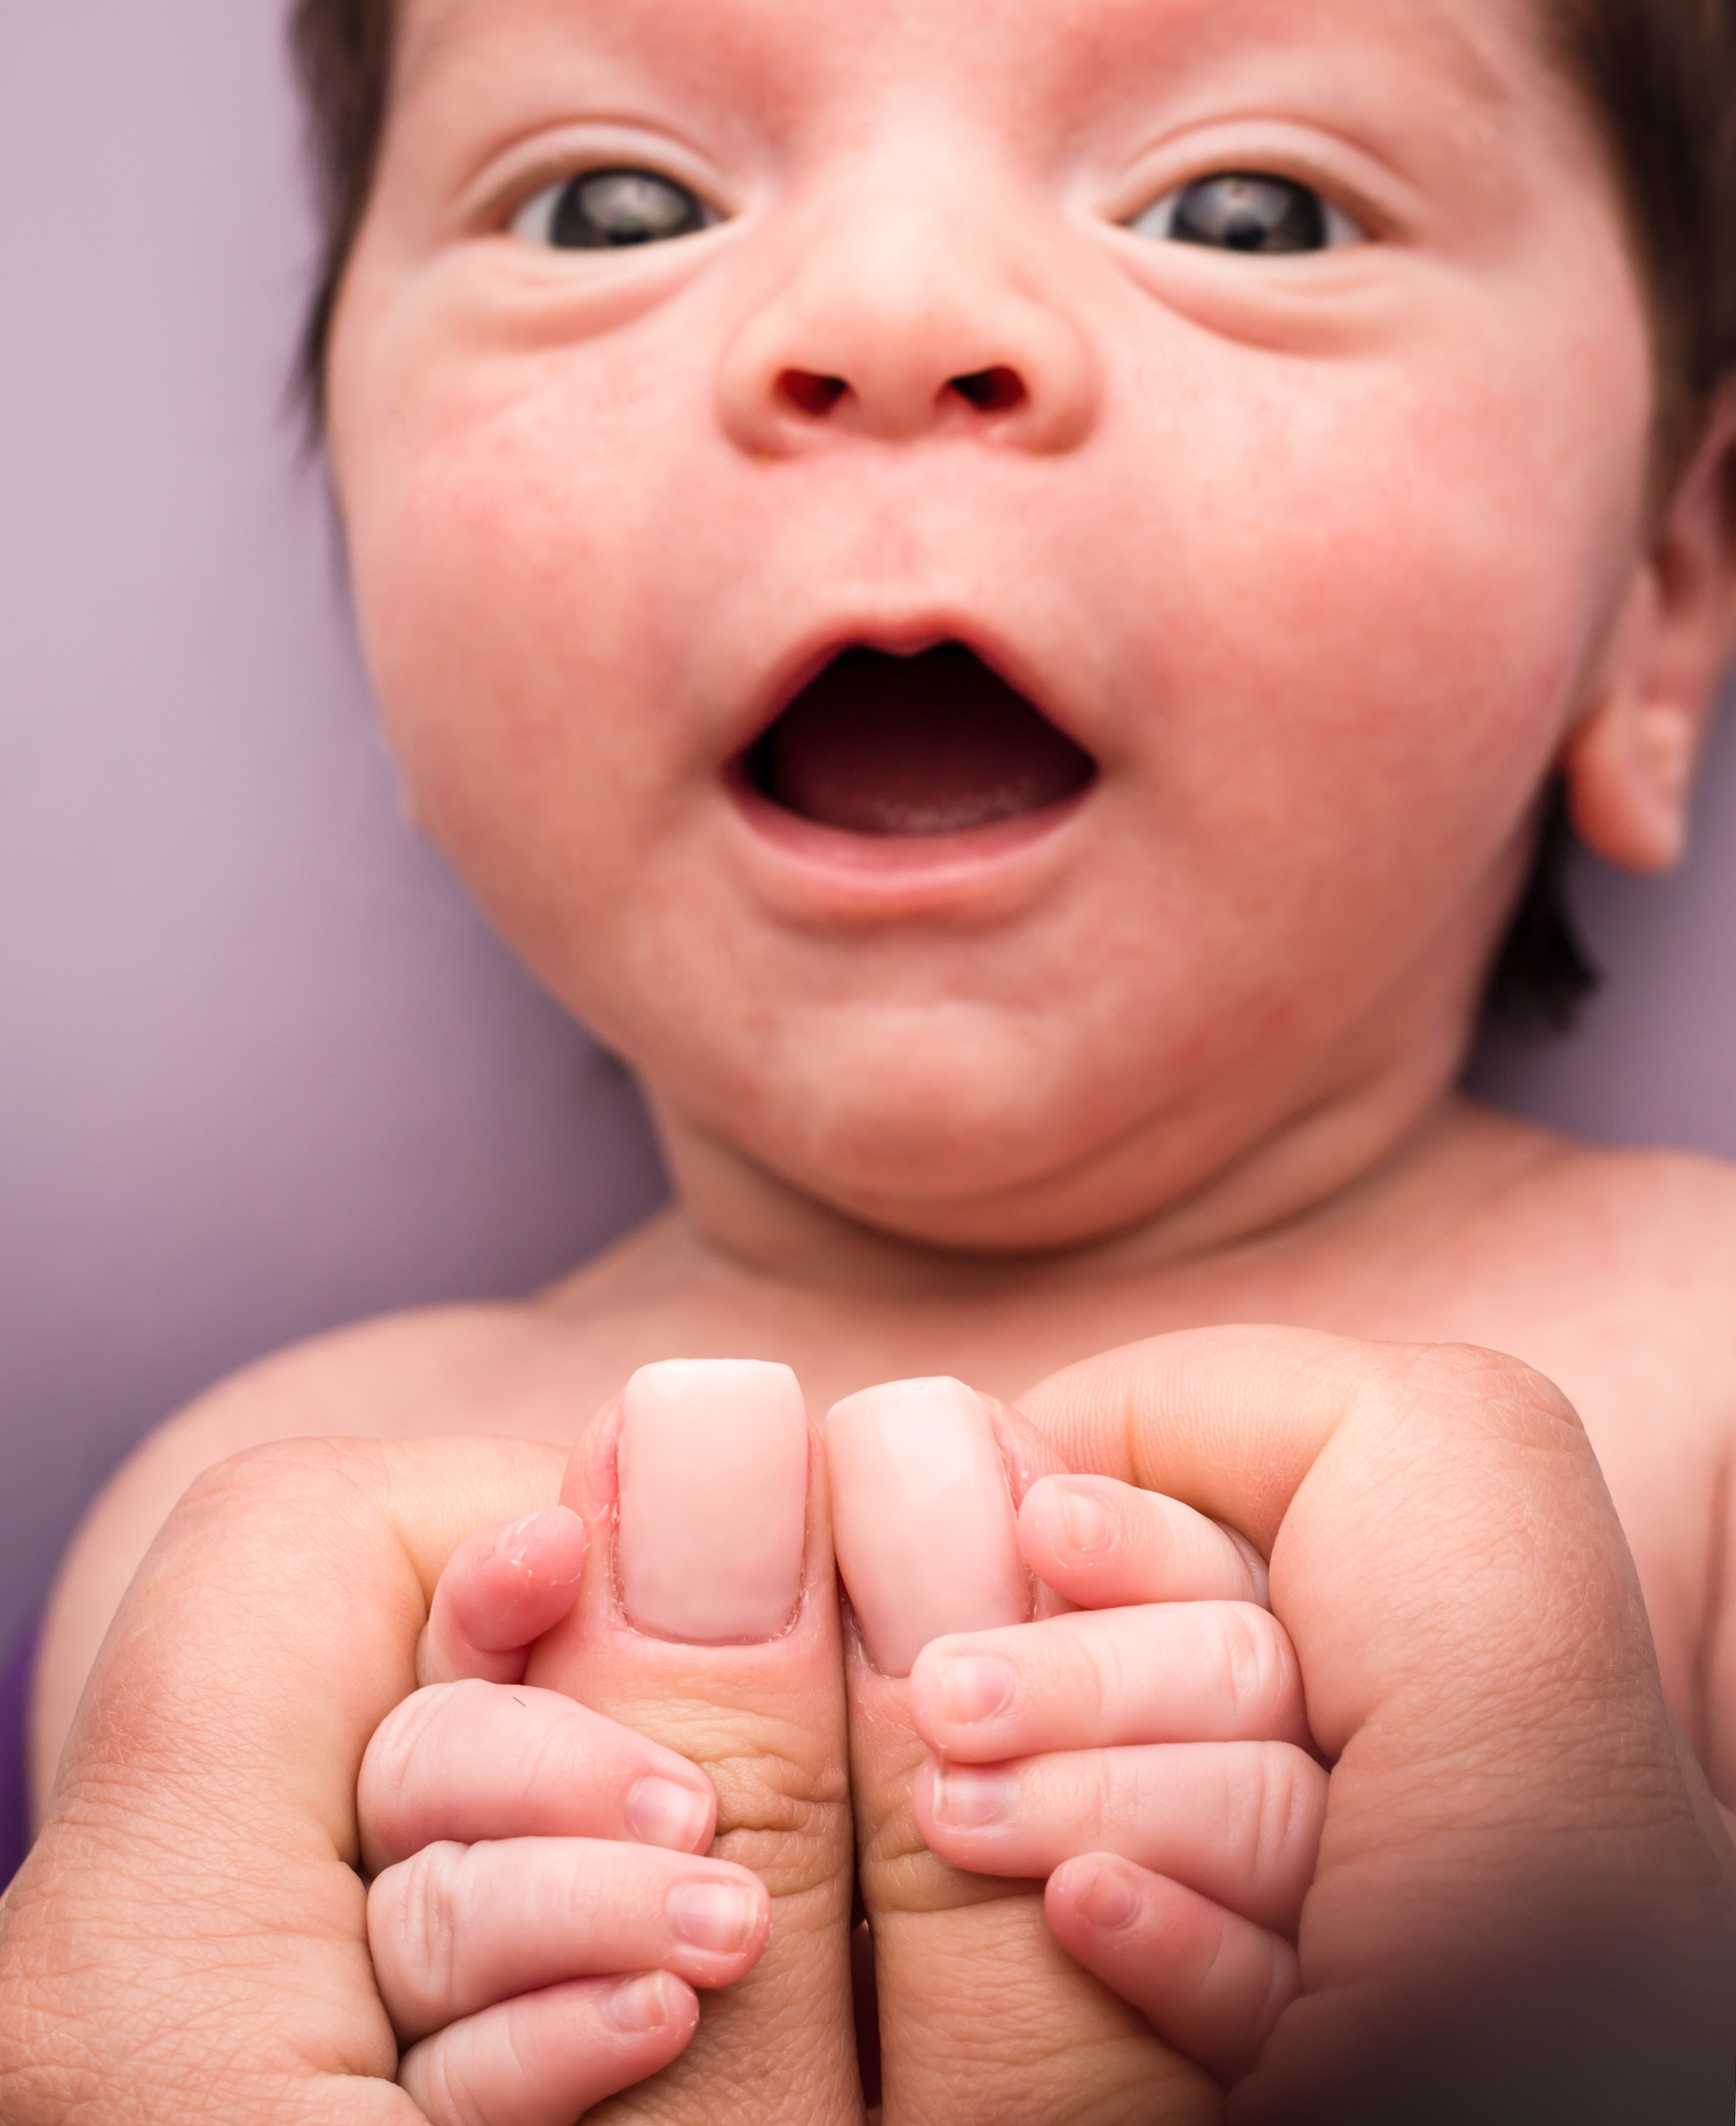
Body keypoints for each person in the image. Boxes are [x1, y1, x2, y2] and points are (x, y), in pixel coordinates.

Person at [6, 0, 1736, 2115]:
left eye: (1251, 210)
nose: (891, 315)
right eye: (613, 203)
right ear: (372, 589)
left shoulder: (1710, 1390)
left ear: (1665, 592)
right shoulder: (263, 1554)